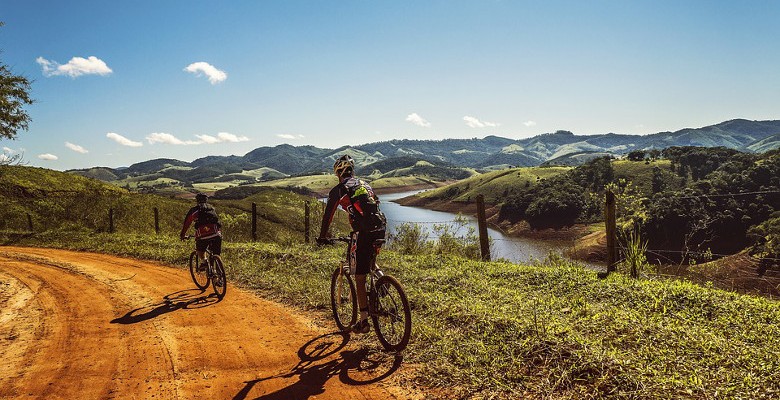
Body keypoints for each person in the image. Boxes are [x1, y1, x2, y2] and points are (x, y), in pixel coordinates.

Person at [317, 155, 386, 334]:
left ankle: (363, 322)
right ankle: (383, 281)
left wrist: (322, 237)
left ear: (338, 173)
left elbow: (328, 216)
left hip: (362, 233)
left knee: (360, 277)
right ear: (352, 171)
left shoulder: (339, 190)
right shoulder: (365, 184)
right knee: (370, 262)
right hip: (380, 227)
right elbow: (376, 204)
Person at [180, 193, 222, 271]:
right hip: (216, 234)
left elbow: (187, 223)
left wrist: (183, 234)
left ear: (197, 201)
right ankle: (219, 277)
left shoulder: (194, 210)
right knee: (216, 254)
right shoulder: (212, 208)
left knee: (200, 250)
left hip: (202, 236)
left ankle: (204, 262)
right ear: (206, 200)